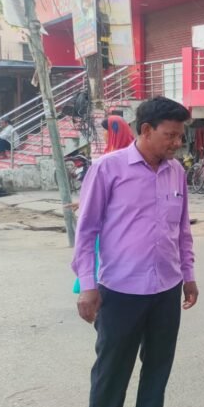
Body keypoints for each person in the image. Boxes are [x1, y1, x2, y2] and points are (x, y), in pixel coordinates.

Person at [71, 96, 198, 407]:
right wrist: (87, 286)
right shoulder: (107, 169)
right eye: (170, 135)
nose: (177, 143)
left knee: (157, 371)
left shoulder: (176, 173)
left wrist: (188, 275)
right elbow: (86, 231)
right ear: (146, 130)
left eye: (180, 135)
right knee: (111, 374)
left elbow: (182, 230)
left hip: (166, 290)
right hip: (120, 291)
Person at [71, 115, 136, 294]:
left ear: (114, 132)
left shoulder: (126, 157)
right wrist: (85, 202)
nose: (104, 135)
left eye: (106, 131)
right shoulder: (108, 155)